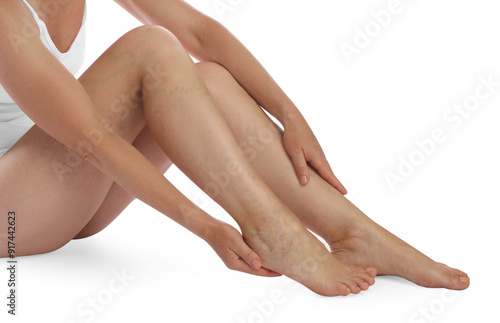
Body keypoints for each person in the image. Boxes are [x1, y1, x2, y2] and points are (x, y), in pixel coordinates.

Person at [0, 0, 469, 296]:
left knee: (209, 80)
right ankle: (271, 229)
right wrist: (207, 228)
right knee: (151, 50)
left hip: (65, 197)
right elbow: (91, 142)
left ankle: (355, 233)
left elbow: (200, 34)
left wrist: (289, 114)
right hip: (13, 216)